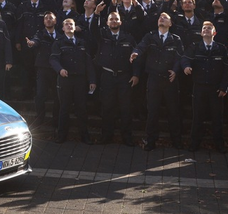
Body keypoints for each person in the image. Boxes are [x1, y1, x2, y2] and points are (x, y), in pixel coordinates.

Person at [131, 12, 184, 150]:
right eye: (160, 17)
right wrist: (135, 52)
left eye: (165, 18)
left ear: (170, 24)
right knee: (152, 111)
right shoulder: (150, 36)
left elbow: (180, 57)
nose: (161, 19)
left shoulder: (176, 39)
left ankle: (176, 141)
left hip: (170, 80)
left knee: (173, 112)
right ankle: (150, 140)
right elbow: (141, 46)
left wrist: (175, 70)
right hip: (153, 79)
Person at [181, 21, 228, 152]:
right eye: (204, 28)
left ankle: (219, 145)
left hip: (216, 88)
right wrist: (186, 66)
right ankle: (194, 144)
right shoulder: (195, 47)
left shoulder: (221, 48)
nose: (207, 30)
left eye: (209, 28)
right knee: (197, 116)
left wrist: (224, 87)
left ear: (214, 33)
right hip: (199, 87)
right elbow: (185, 58)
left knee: (217, 118)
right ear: (201, 32)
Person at [91, 10, 137, 146]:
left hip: (124, 77)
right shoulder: (102, 36)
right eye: (111, 19)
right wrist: (97, 14)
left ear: (120, 22)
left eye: (116, 19)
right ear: (107, 22)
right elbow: (93, 28)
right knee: (107, 107)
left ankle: (127, 137)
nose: (114, 22)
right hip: (107, 76)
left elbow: (136, 57)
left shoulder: (128, 38)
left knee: (126, 108)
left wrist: (136, 74)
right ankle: (106, 136)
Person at [49, 18, 96, 144]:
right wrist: (60, 70)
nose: (69, 26)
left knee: (82, 108)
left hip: (80, 80)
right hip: (65, 80)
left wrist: (92, 80)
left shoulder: (82, 43)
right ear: (63, 28)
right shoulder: (58, 42)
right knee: (64, 108)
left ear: (75, 28)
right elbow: (53, 59)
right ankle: (61, 136)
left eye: (71, 24)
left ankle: (84, 136)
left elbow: (88, 63)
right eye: (66, 24)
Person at [26, 11, 61, 131]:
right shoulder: (40, 34)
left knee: (58, 97)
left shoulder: (60, 35)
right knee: (40, 95)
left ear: (55, 21)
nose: (48, 20)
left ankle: (56, 120)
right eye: (46, 18)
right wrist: (32, 43)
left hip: (57, 70)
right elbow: (36, 41)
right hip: (43, 68)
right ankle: (40, 119)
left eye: (51, 18)